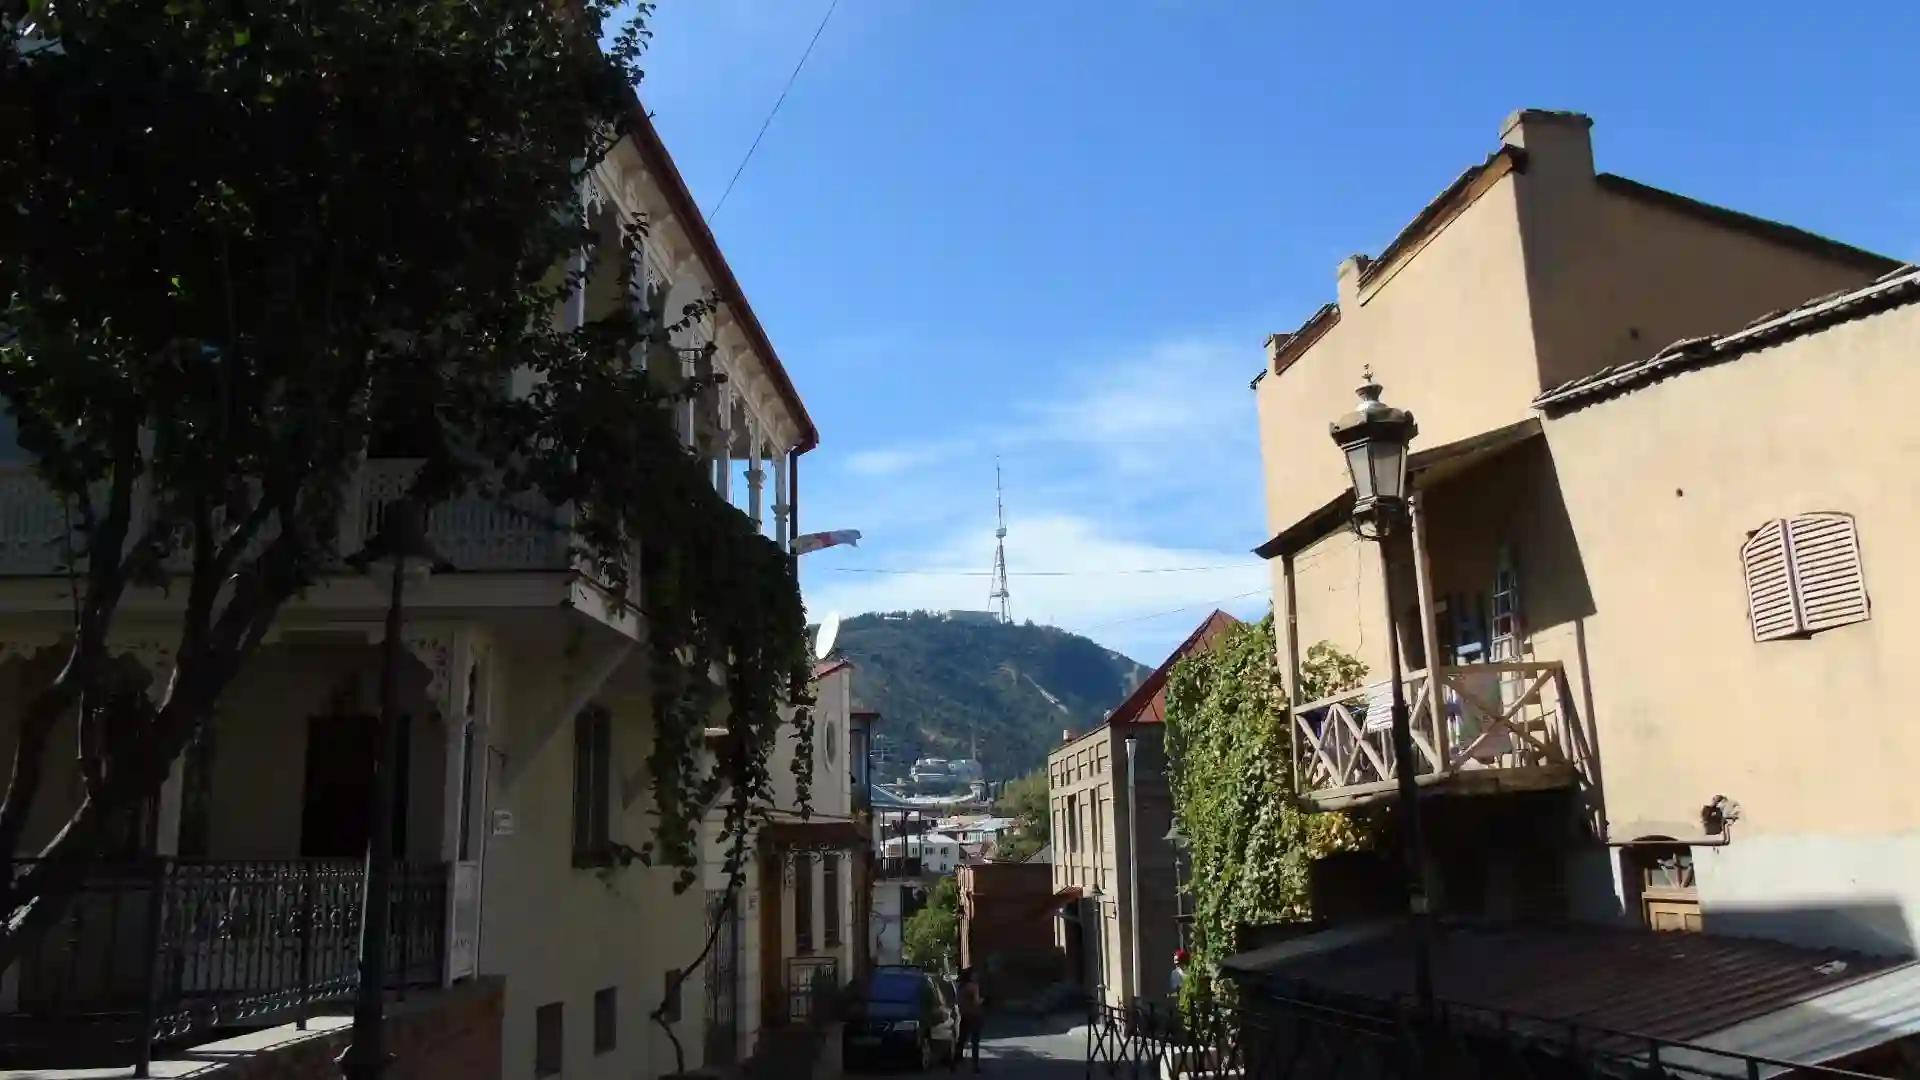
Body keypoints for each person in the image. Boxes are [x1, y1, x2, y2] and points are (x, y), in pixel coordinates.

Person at [952, 966, 984, 1072]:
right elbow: (976, 1001)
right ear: (971, 975)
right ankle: (975, 1066)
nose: (977, 976)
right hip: (974, 1016)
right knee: (975, 1042)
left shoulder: (961, 986)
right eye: (975, 974)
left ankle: (954, 1063)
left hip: (964, 1016)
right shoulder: (973, 986)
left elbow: (957, 1001)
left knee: (961, 1041)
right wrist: (982, 1001)